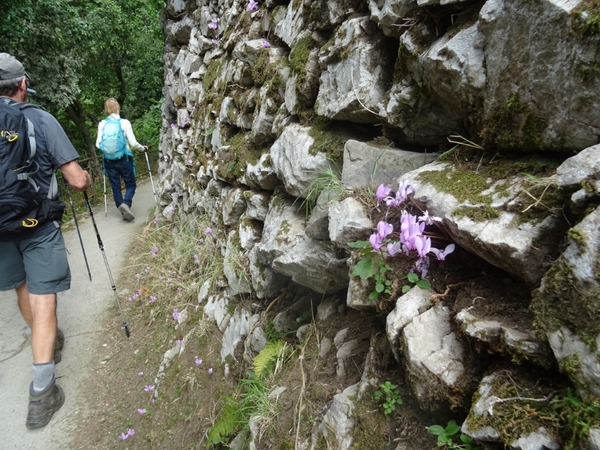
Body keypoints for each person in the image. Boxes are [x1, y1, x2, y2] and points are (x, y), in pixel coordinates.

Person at [0, 53, 92, 429]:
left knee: (22, 286)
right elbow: (77, 180)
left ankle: (47, 343)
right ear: (22, 85)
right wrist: (83, 174)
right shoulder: (39, 118)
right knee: (43, 299)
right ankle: (42, 394)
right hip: (36, 225)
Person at [95, 98, 147, 221]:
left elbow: (98, 144)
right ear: (117, 107)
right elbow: (133, 143)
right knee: (131, 184)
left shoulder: (102, 124)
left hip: (109, 161)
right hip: (124, 159)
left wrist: (107, 150)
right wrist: (143, 149)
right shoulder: (124, 123)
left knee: (115, 186)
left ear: (106, 109)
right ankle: (126, 203)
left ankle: (122, 209)